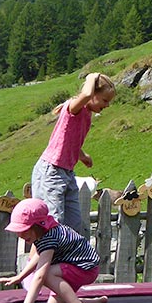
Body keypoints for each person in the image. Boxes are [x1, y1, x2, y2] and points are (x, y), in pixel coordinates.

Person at [0, 198, 107, 303]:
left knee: (47, 274)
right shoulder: (44, 233)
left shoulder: (49, 238)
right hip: (74, 267)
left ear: (37, 225)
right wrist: (20, 277)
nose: (20, 235)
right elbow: (39, 256)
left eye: (24, 230)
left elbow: (39, 277)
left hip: (85, 268)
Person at [31, 71, 115, 231]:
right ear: (93, 94)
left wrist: (82, 156)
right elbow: (86, 94)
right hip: (52, 170)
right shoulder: (74, 108)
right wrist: (92, 77)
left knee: (73, 224)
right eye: (105, 100)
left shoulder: (86, 114)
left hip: (67, 172)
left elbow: (69, 140)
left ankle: (67, 247)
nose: (107, 105)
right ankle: (46, 248)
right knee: (52, 222)